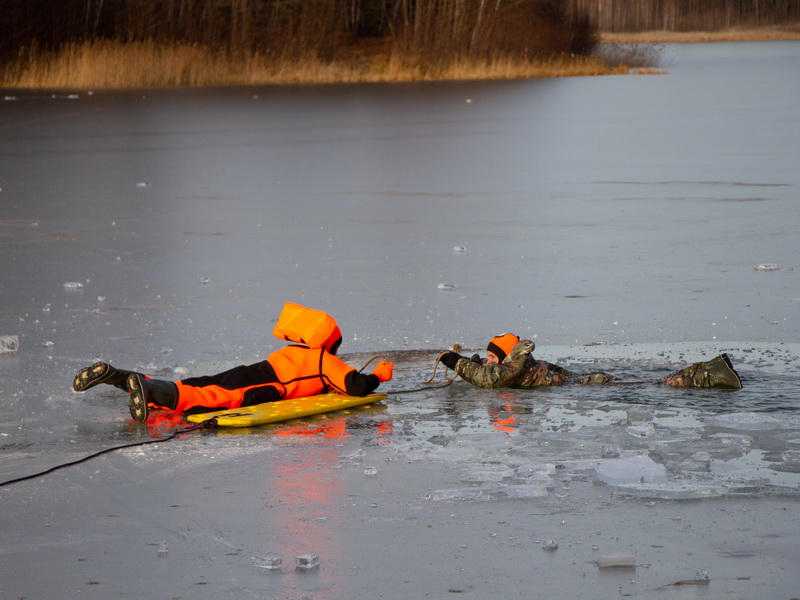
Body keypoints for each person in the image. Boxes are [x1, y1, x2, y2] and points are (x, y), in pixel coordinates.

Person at [72, 303, 394, 422]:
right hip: (267, 386)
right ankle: (148, 389)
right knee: (215, 397)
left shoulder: (296, 350)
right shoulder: (324, 360)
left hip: (258, 370)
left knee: (200, 383)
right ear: (329, 343)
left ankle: (124, 379)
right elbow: (354, 386)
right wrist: (379, 375)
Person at [439, 333, 742, 389]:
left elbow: (490, 379)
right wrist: (472, 361)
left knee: (658, 385)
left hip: (586, 386)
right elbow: (490, 371)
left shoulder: (514, 366)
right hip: (582, 383)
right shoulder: (514, 363)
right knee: (655, 383)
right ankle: (714, 367)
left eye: (493, 356)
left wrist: (456, 362)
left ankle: (713, 375)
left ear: (506, 355)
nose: (489, 362)